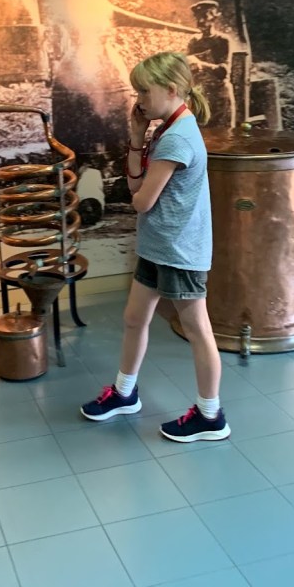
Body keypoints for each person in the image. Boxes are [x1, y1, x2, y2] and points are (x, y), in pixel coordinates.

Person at [80, 50, 230, 443]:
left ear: (172, 89)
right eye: (137, 91)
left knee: (198, 330)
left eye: (144, 91)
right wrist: (135, 137)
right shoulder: (166, 128)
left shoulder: (177, 137)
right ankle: (125, 393)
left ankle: (210, 415)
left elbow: (141, 201)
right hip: (158, 244)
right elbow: (137, 188)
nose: (139, 100)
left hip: (179, 250)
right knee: (134, 318)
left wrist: (138, 188)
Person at [187, 0, 236, 128]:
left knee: (222, 136)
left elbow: (224, 71)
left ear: (214, 18)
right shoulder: (194, 42)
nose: (200, 21)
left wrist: (201, 64)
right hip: (200, 98)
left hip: (219, 98)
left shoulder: (222, 40)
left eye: (204, 16)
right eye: (198, 17)